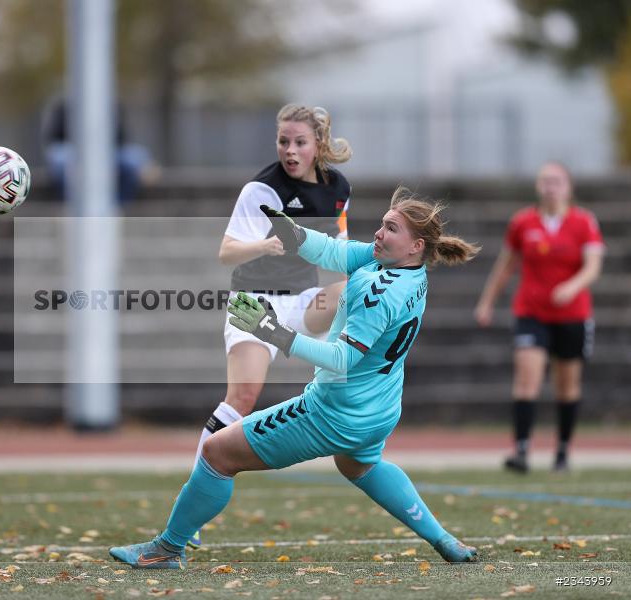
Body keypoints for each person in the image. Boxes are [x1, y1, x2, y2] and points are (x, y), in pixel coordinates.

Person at [109, 187, 481, 569]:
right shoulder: (406, 271)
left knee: (217, 453)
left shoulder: (378, 291)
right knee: (359, 465)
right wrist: (297, 236)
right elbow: (336, 253)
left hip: (335, 412)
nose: (378, 234)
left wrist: (275, 332)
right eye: (383, 225)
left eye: (390, 228)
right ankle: (444, 539)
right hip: (379, 408)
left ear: (415, 245)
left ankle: (166, 550)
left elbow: (341, 360)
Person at [189, 104, 351, 548]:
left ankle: (352, 418)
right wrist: (263, 245)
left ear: (318, 144)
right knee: (243, 397)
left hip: (301, 300)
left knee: (350, 290)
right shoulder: (261, 189)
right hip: (254, 302)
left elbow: (337, 245)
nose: (290, 150)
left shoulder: (338, 188)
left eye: (299, 142)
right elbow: (226, 252)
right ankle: (195, 493)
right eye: (283, 141)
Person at [474, 162, 604, 473]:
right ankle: (520, 451)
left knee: (567, 385)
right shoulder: (523, 222)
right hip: (531, 312)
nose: (550, 186)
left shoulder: (583, 222)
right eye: (545, 181)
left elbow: (593, 266)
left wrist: (571, 287)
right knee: (526, 379)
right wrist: (487, 302)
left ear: (568, 187)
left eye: (557, 181)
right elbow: (507, 265)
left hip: (573, 315)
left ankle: (562, 451)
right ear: (538, 186)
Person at [42, 95, 151, 205]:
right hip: (73, 151)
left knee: (133, 157)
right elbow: (55, 136)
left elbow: (121, 136)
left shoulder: (111, 105)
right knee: (60, 158)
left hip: (108, 151)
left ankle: (117, 206)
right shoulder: (65, 106)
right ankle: (72, 204)